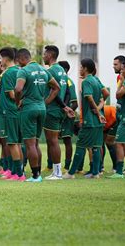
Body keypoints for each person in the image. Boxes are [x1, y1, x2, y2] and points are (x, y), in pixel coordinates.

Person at [15, 48, 72, 182]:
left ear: (23, 59)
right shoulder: (43, 70)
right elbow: (57, 87)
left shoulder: (24, 71)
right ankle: (39, 172)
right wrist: (44, 102)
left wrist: (18, 102)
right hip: (42, 109)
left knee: (30, 143)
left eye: (19, 61)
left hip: (29, 108)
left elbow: (18, 88)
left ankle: (35, 175)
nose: (19, 64)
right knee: (35, 142)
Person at [0, 47, 25, 181]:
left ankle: (19, 174)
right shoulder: (19, 71)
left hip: (9, 111)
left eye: (0, 58)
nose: (0, 61)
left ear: (5, 58)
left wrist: (17, 103)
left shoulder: (9, 73)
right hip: (13, 111)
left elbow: (11, 94)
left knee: (13, 143)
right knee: (16, 143)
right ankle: (16, 171)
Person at [63, 58, 106, 179]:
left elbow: (89, 97)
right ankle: (96, 172)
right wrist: (100, 111)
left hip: (90, 120)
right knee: (96, 146)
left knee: (81, 145)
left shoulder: (86, 81)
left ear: (86, 68)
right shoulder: (96, 80)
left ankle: (70, 173)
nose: (80, 69)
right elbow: (105, 95)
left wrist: (97, 112)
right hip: (98, 121)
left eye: (81, 67)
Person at [42, 45, 70, 180]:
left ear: (50, 55)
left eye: (44, 54)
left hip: (52, 109)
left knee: (52, 141)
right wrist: (65, 106)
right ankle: (55, 171)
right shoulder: (62, 71)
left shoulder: (51, 70)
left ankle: (58, 172)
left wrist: (45, 103)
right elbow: (67, 91)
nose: (43, 56)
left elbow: (56, 90)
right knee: (52, 141)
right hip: (59, 109)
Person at [112, 55, 125, 174]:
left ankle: (123, 168)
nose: (113, 66)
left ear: (123, 66)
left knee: (121, 142)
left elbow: (118, 94)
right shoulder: (121, 77)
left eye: (116, 64)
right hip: (122, 113)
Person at [58, 61, 78, 171]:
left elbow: (75, 103)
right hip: (58, 115)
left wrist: (66, 114)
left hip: (66, 117)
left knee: (67, 140)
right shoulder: (59, 81)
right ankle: (50, 165)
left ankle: (66, 166)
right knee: (52, 140)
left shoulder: (69, 82)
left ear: (64, 70)